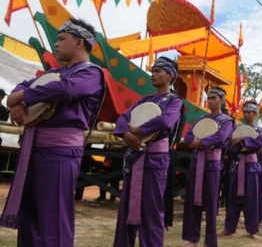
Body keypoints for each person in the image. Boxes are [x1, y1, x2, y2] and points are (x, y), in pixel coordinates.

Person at [0, 18, 105, 247]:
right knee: (30, 217)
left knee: (54, 219)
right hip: (33, 151)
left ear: (79, 42)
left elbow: (66, 89)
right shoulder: (53, 73)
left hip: (60, 153)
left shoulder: (92, 74)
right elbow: (22, 86)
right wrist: (16, 102)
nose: (56, 44)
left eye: (61, 39)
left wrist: (20, 97)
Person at [113, 57, 182, 247]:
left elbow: (166, 121)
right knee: (126, 207)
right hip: (134, 157)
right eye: (152, 71)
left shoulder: (175, 101)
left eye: (158, 71)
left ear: (170, 76)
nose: (153, 74)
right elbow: (122, 119)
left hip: (155, 160)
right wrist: (127, 136)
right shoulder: (144, 100)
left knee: (151, 210)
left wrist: (138, 130)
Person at [182, 86, 233, 247]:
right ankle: (193, 239)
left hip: (213, 165)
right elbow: (189, 136)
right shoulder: (201, 119)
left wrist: (201, 142)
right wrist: (200, 144)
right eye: (208, 98)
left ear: (222, 100)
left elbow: (221, 137)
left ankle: (210, 242)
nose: (210, 101)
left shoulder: (227, 121)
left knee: (211, 204)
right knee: (192, 201)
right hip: (197, 164)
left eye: (213, 98)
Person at [218, 100, 262, 240]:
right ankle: (229, 228)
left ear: (255, 114)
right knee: (232, 198)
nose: (247, 114)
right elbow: (232, 146)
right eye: (245, 112)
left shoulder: (259, 130)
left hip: (251, 167)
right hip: (237, 166)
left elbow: (259, 144)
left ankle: (252, 231)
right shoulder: (236, 128)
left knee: (251, 198)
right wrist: (236, 144)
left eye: (250, 112)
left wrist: (242, 139)